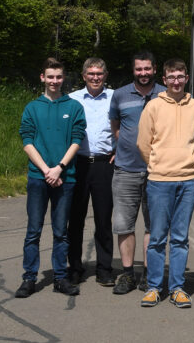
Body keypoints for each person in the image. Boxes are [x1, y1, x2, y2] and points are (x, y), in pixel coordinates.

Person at [15, 57, 86, 298]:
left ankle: (60, 278)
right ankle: (29, 278)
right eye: (50, 77)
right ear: (42, 78)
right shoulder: (32, 108)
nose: (55, 81)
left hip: (66, 177)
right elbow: (27, 141)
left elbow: (77, 139)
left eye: (59, 77)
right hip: (38, 177)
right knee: (33, 230)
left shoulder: (73, 106)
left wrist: (59, 168)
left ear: (63, 78)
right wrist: (46, 169)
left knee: (61, 231)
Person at [136, 58, 194, 309]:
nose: (176, 81)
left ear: (186, 78)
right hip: (159, 181)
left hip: (187, 180)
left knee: (180, 238)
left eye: (180, 76)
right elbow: (143, 144)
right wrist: (158, 163)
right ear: (164, 80)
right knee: (156, 237)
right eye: (171, 77)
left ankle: (177, 288)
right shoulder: (153, 106)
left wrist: (185, 163)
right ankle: (154, 287)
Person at [108, 51, 165, 296]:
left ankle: (148, 276)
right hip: (126, 169)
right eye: (139, 69)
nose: (143, 73)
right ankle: (128, 274)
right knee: (124, 225)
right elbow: (116, 127)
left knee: (153, 226)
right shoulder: (119, 95)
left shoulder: (165, 94)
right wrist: (128, 148)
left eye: (147, 69)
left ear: (154, 69)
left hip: (157, 171)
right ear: (134, 70)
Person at [66, 57, 115, 287]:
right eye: (91, 74)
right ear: (84, 75)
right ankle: (75, 267)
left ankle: (104, 268)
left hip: (105, 164)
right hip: (79, 163)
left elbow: (125, 125)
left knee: (104, 219)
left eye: (99, 74)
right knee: (75, 219)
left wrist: (120, 151)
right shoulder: (72, 99)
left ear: (105, 75)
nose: (95, 77)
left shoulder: (115, 97)